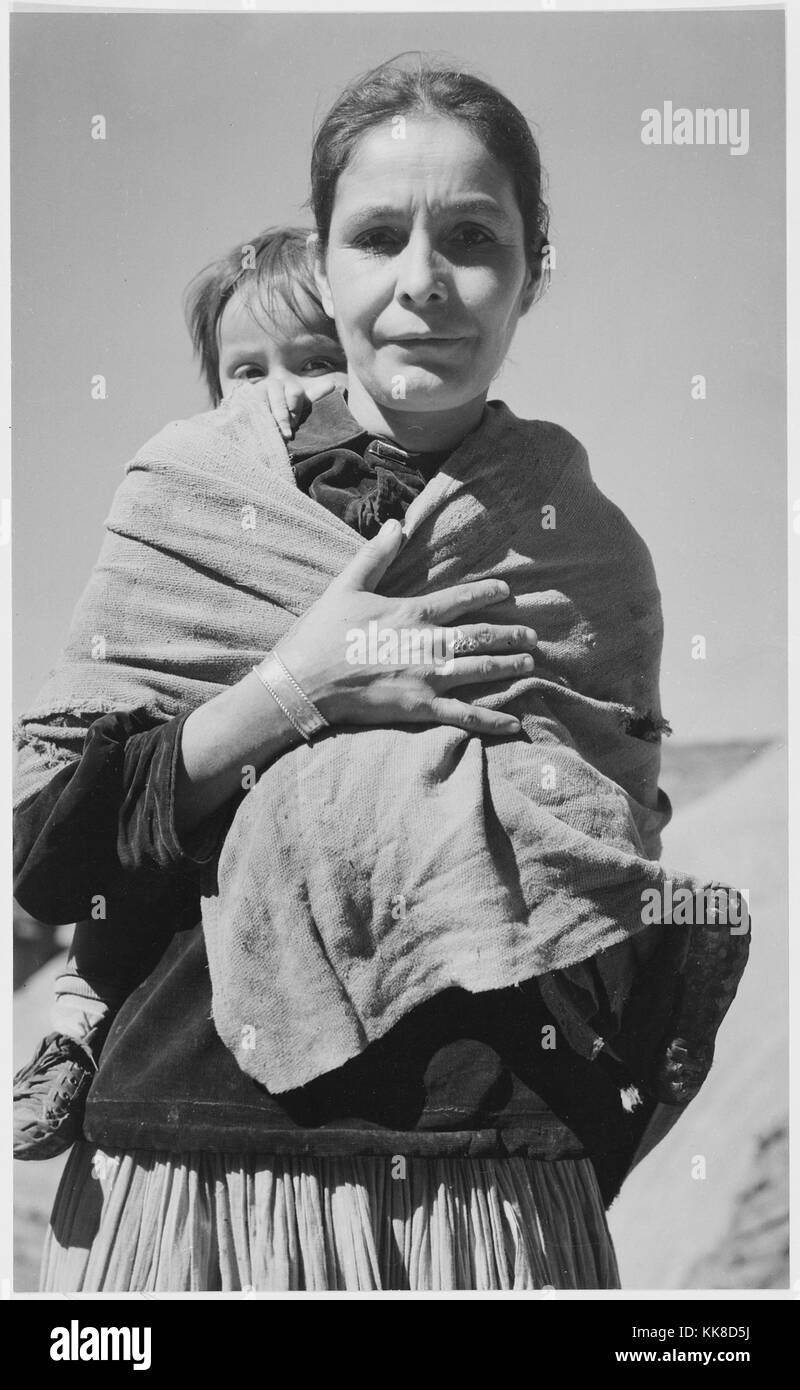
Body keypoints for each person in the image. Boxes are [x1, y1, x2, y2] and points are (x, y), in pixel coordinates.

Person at [13, 58, 746, 1292]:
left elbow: (604, 872)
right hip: (194, 1188)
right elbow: (54, 852)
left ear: (533, 270)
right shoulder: (189, 497)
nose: (421, 281)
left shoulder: (583, 550)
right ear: (329, 258)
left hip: (495, 1191)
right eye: (376, 236)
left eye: (471, 237)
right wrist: (299, 686)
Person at [13, 226, 347, 1160]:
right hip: (178, 811)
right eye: (245, 370)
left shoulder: (400, 498)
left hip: (324, 843)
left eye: (320, 359)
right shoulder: (186, 493)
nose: (282, 390)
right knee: (141, 867)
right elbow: (117, 670)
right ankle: (77, 1034)